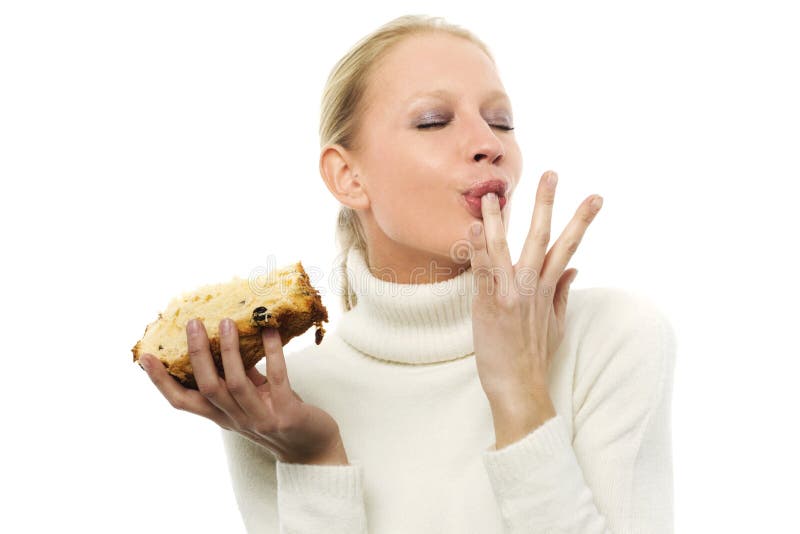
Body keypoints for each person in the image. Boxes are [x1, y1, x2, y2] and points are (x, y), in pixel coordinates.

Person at [139, 14, 677, 533]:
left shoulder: (612, 335)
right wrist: (317, 460)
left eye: (501, 122)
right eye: (433, 121)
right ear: (348, 177)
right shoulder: (280, 399)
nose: (489, 145)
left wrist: (521, 396)